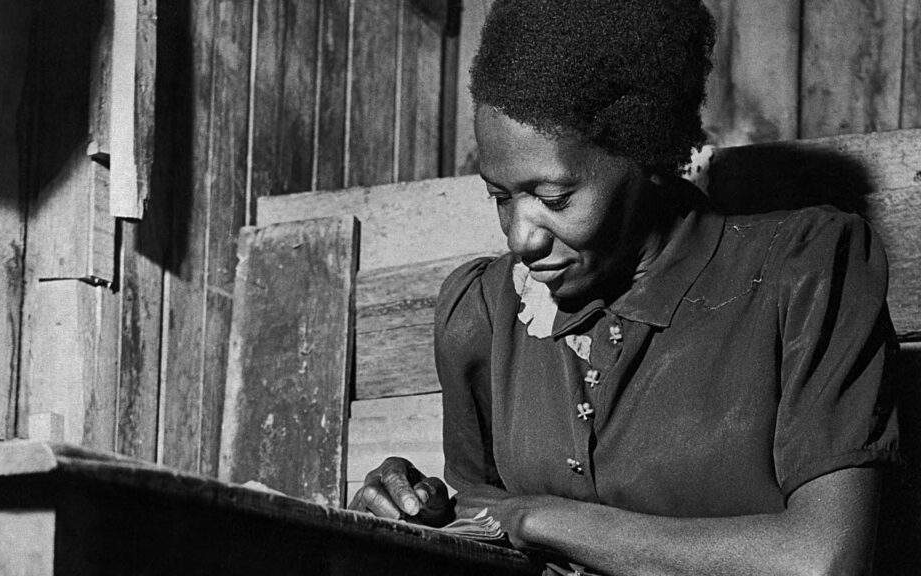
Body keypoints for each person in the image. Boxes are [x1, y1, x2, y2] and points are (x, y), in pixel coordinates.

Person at [349, 1, 899, 574]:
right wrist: (416, 512)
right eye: (500, 196)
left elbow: (824, 559)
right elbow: (479, 523)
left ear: (646, 152)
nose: (520, 237)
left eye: (555, 198)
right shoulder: (484, 314)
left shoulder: (804, 270)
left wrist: (540, 519)